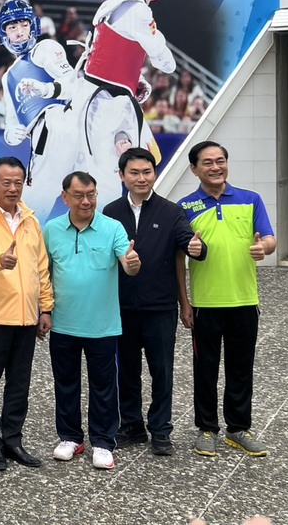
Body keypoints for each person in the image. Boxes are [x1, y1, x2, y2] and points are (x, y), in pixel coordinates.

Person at [102, 148, 206, 456]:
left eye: (147, 172)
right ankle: (131, 425)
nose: (141, 178)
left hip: (160, 307)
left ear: (154, 174)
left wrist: (197, 248)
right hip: (122, 307)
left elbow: (187, 240)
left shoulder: (170, 211)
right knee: (127, 370)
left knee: (162, 371)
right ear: (122, 176)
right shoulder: (110, 211)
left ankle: (161, 430)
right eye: (134, 173)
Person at [178, 141, 276, 457]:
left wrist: (265, 248)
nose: (216, 167)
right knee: (205, 369)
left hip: (245, 301)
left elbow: (269, 238)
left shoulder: (251, 199)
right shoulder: (185, 207)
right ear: (194, 169)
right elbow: (178, 257)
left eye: (220, 160)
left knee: (241, 368)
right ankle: (206, 428)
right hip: (205, 304)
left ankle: (238, 428)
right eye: (207, 162)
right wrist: (184, 302)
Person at [43, 171, 140, 470]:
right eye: (79, 196)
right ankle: (70, 437)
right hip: (63, 323)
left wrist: (132, 264)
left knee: (104, 385)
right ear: (65, 198)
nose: (86, 201)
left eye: (91, 195)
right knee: (66, 383)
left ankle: (103, 441)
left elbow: (128, 264)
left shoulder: (112, 227)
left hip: (102, 325)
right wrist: (43, 310)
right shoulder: (52, 229)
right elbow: (43, 273)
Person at [0, 157, 53, 472]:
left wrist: (46, 307)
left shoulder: (31, 220)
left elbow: (41, 268)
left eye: (18, 182)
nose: (13, 188)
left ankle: (13, 439)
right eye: (6, 182)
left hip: (27, 318)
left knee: (19, 384)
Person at [79, 0, 177, 205]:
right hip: (106, 104)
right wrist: (160, 46)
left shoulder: (109, 5)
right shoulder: (139, 10)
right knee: (113, 177)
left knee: (135, 164)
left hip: (101, 96)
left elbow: (106, 54)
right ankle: (116, 226)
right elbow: (165, 62)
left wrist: (133, 80)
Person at [0, 0, 86, 220]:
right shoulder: (8, 77)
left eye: (23, 25)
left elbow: (72, 85)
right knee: (36, 208)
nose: (19, 32)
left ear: (33, 26)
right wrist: (12, 134)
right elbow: (12, 122)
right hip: (40, 138)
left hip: (59, 119)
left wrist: (46, 89)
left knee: (31, 209)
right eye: (12, 27)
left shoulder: (45, 49)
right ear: (4, 33)